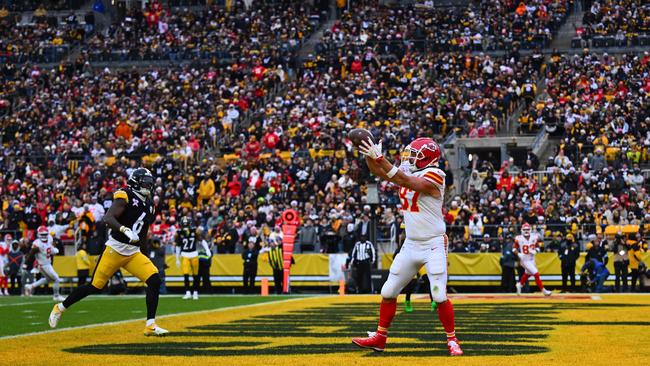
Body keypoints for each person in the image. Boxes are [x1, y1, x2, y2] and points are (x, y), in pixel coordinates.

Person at [352, 137, 463, 356]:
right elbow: (381, 172)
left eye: (415, 156)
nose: (409, 159)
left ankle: (452, 340)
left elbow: (406, 181)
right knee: (388, 290)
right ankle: (380, 337)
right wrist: (368, 153)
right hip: (411, 243)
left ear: (428, 159)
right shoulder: (409, 169)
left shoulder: (436, 175)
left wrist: (381, 159)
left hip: (433, 243)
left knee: (439, 294)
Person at [48, 168, 168, 336]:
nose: (149, 185)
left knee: (154, 280)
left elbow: (142, 234)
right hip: (115, 249)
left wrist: (145, 254)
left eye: (150, 182)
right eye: (146, 182)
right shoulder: (125, 195)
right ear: (136, 182)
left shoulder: (150, 205)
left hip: (133, 253)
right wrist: (125, 230)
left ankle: (150, 324)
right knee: (95, 286)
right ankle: (60, 307)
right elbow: (108, 218)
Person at [24, 226, 64, 301]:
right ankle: (56, 296)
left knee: (48, 279)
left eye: (45, 234)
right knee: (56, 278)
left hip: (47, 263)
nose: (44, 236)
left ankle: (30, 286)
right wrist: (26, 264)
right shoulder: (37, 243)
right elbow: (31, 253)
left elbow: (49, 249)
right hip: (42, 264)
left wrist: (54, 250)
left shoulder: (49, 239)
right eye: (42, 235)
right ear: (39, 235)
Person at [175, 217, 210, 300]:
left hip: (194, 254)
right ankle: (187, 292)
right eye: (184, 224)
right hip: (184, 255)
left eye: (186, 224)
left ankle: (195, 292)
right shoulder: (179, 233)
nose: (185, 226)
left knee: (196, 275)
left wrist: (207, 249)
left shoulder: (194, 231)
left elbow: (202, 241)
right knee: (186, 275)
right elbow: (178, 246)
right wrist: (177, 258)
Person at [514, 223, 552, 296]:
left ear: (530, 230)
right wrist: (518, 254)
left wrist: (536, 251)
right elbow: (514, 248)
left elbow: (537, 246)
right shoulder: (519, 238)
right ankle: (543, 290)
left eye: (527, 229)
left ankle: (520, 284)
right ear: (522, 230)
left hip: (532, 259)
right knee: (536, 273)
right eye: (524, 229)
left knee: (528, 273)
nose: (526, 231)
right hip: (524, 259)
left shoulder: (534, 237)